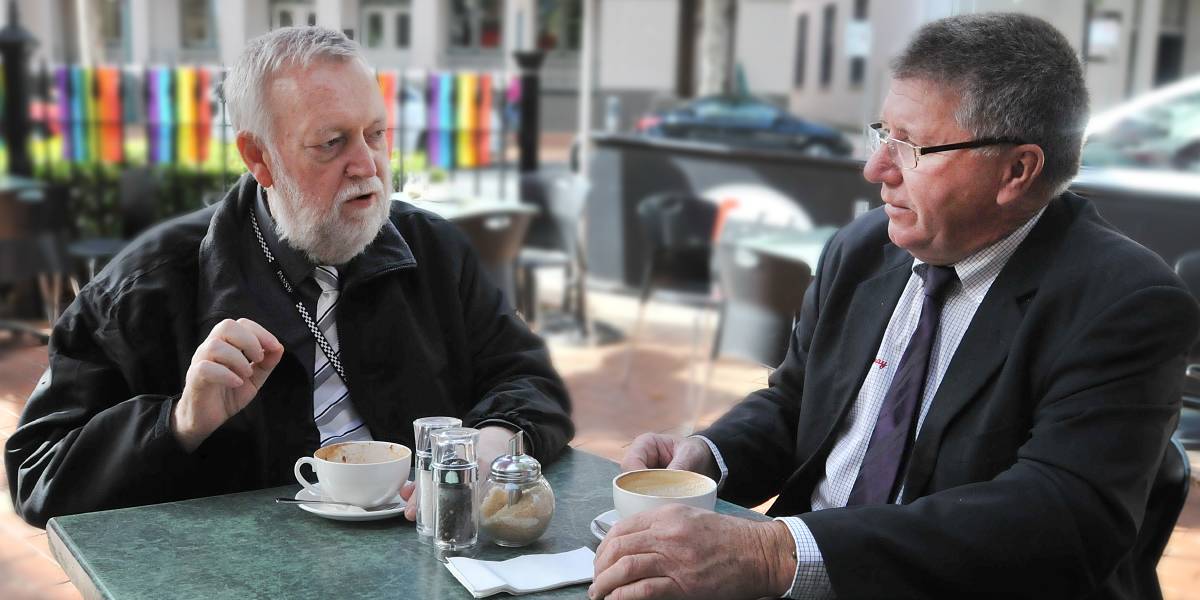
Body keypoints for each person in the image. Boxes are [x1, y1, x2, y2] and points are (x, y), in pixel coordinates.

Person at [592, 13, 1199, 600]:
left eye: (910, 146)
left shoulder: (1126, 303)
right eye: (883, 135)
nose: (875, 168)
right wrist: (708, 459)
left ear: (1016, 170)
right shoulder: (862, 249)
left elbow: (1062, 518)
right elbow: (798, 403)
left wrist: (776, 554)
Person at [5, 27, 573, 528]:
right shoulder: (145, 288)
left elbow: (529, 379)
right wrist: (177, 423)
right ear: (259, 158)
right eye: (332, 143)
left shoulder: (434, 251)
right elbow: (38, 473)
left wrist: (483, 451)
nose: (368, 165)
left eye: (376, 134)